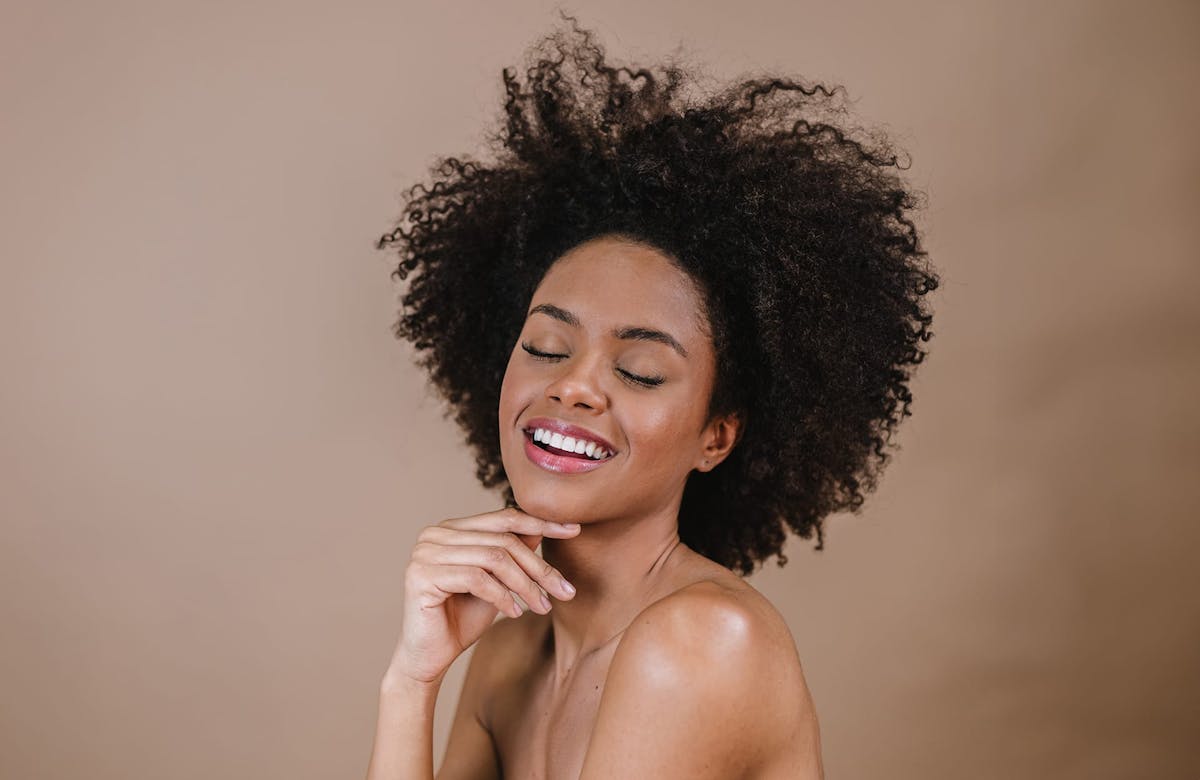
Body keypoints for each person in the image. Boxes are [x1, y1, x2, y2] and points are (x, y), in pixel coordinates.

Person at [366, 15, 938, 779]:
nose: (573, 384)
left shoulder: (699, 642)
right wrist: (410, 681)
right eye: (545, 347)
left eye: (637, 370)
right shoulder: (511, 643)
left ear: (717, 436)